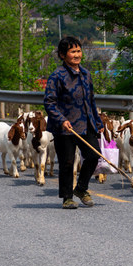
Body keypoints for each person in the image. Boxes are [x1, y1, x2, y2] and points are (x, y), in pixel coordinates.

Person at [43, 36, 104, 209]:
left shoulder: (86, 74)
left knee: (94, 155)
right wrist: (62, 120)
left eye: (78, 51)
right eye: (72, 52)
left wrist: (98, 121)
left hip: (86, 124)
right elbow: (49, 102)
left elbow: (91, 101)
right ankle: (67, 197)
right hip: (65, 128)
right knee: (67, 162)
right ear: (63, 55)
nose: (77, 55)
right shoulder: (57, 76)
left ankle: (81, 188)